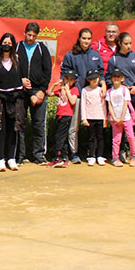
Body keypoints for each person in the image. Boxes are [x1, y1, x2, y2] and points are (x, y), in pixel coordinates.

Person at [61, 28, 104, 164]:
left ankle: (93, 154)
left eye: (88, 38)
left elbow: (101, 73)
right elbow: (64, 75)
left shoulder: (96, 55)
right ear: (79, 38)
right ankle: (73, 153)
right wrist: (64, 88)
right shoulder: (70, 55)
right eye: (83, 38)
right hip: (76, 95)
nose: (86, 41)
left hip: (93, 97)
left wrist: (103, 85)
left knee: (94, 127)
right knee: (74, 127)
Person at [104, 32, 135, 163]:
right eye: (126, 43)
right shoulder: (114, 59)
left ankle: (133, 152)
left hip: (134, 96)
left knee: (133, 124)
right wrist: (118, 89)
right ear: (119, 43)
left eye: (130, 43)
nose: (129, 46)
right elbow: (108, 78)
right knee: (119, 124)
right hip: (118, 98)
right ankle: (120, 151)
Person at [0, 33, 25, 172]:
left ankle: (11, 159)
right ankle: (0, 160)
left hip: (15, 99)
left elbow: (23, 78)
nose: (6, 44)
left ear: (13, 45)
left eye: (9, 42)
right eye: (4, 42)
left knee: (13, 130)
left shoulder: (18, 60)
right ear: (0, 44)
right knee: (0, 130)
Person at [15, 22, 53, 165]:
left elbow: (47, 71)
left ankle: (39, 155)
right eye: (28, 34)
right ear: (24, 33)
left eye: (33, 35)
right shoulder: (17, 47)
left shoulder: (42, 49)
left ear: (37, 36)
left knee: (39, 124)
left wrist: (42, 91)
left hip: (38, 91)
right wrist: (20, 81)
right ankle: (20, 155)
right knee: (20, 124)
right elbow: (13, 67)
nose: (30, 38)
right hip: (21, 91)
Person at [47, 69, 78, 168]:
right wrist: (55, 85)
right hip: (59, 115)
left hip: (67, 116)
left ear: (74, 81)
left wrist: (67, 90)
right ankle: (64, 158)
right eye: (66, 79)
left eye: (71, 80)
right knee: (62, 137)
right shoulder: (60, 90)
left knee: (59, 137)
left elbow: (73, 101)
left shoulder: (74, 90)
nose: (68, 82)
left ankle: (58, 157)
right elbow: (49, 93)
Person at [107, 68, 135, 167]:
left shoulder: (125, 90)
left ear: (122, 79)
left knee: (130, 137)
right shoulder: (109, 92)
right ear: (111, 79)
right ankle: (115, 158)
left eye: (118, 76)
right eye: (114, 76)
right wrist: (115, 118)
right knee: (116, 139)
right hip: (114, 119)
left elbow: (126, 104)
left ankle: (134, 156)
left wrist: (122, 117)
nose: (116, 78)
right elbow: (109, 106)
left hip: (126, 118)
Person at [80, 69, 106, 166]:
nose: (94, 80)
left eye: (96, 78)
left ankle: (100, 156)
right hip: (90, 117)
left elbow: (104, 105)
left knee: (100, 137)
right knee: (91, 137)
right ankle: (91, 156)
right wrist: (84, 118)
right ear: (88, 80)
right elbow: (83, 105)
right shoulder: (85, 90)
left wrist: (105, 119)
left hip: (100, 117)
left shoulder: (100, 90)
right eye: (92, 79)